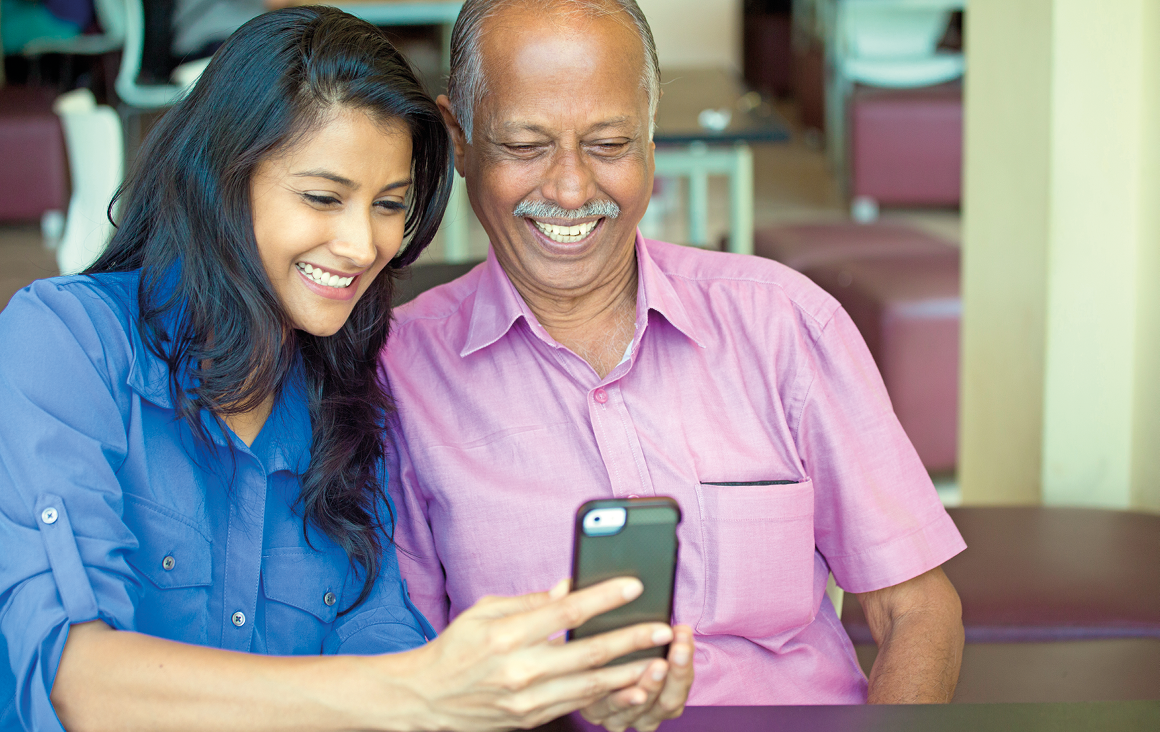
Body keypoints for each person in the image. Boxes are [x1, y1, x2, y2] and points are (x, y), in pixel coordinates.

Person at [0, 7, 691, 731]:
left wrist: (542, 684)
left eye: (389, 205)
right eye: (322, 198)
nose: (363, 244)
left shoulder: (350, 408)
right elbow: (70, 680)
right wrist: (413, 689)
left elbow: (385, 649)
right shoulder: (65, 342)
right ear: (221, 181)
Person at [382, 0, 966, 708]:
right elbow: (403, 666)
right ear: (461, 140)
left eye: (609, 144)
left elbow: (918, 609)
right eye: (526, 146)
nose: (570, 189)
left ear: (652, 142)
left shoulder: (781, 323)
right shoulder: (397, 375)